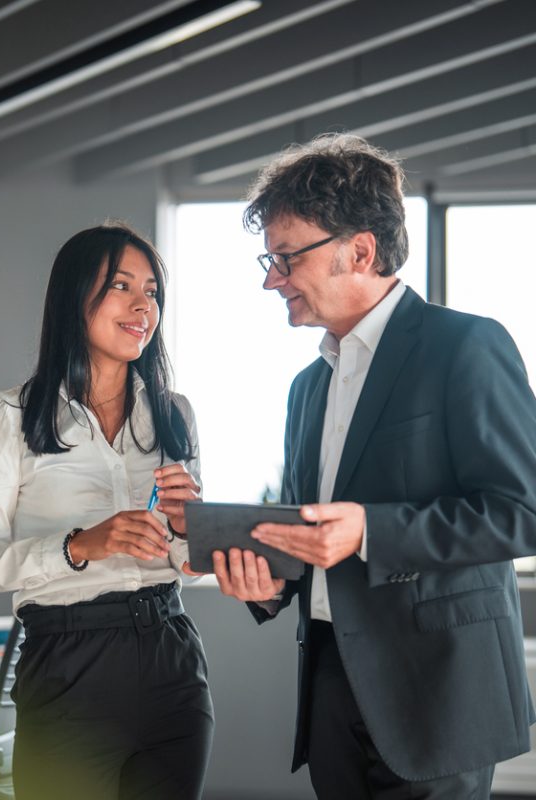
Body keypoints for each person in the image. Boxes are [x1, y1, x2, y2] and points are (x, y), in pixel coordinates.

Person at [210, 133, 536, 798]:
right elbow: (314, 539)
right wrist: (268, 584)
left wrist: (368, 530)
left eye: (285, 257)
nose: (272, 279)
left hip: (438, 694)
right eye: (267, 260)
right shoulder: (307, 387)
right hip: (333, 687)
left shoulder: (465, 346)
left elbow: (523, 512)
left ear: (359, 251)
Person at [0, 222, 214, 800]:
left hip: (171, 659)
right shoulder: (11, 415)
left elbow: (194, 564)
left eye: (152, 291)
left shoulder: (174, 414)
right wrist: (78, 546)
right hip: (69, 662)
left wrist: (191, 526)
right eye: (121, 286)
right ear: (75, 296)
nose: (142, 305)